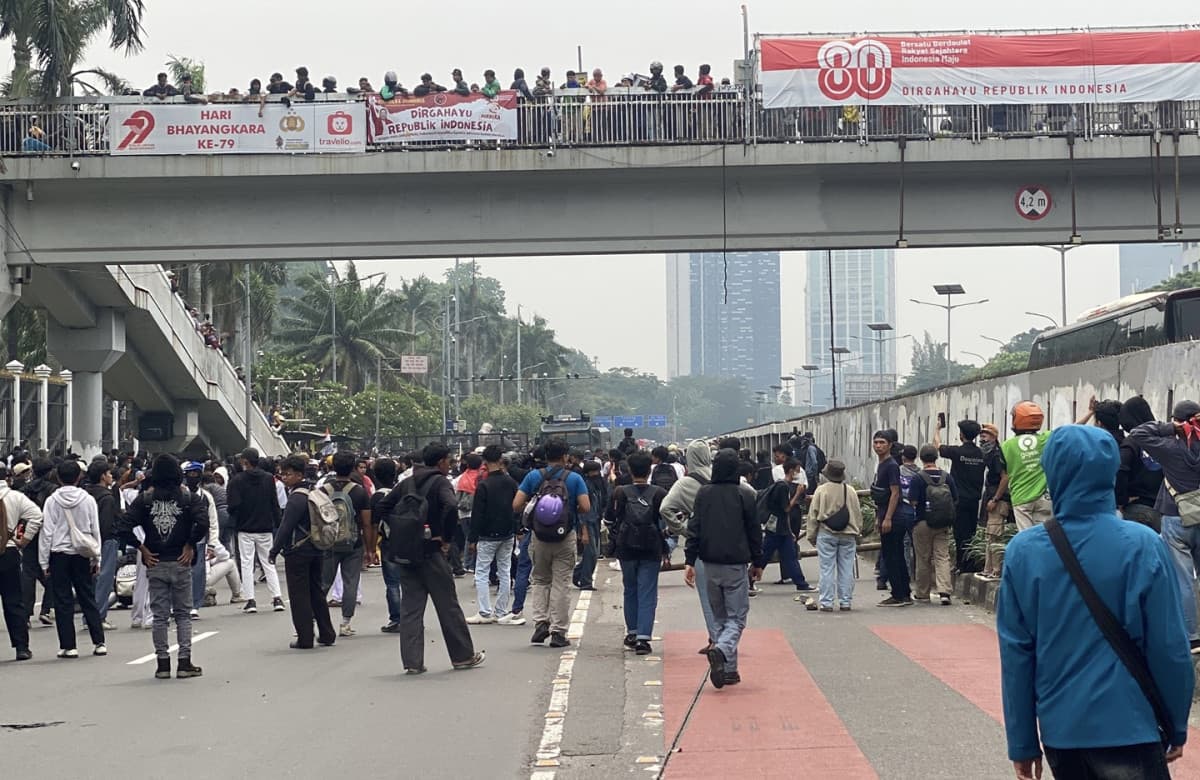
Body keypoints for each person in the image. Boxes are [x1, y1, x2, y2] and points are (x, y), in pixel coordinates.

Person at [998, 425, 1193, 780]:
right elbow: (1169, 647)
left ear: (1051, 471)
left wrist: (1023, 742)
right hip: (1133, 724)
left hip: (1063, 730)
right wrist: (1176, 723)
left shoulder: (1024, 552)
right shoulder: (1143, 545)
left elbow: (1017, 654)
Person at [377, 443, 484, 673]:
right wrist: (444, 537)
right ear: (441, 462)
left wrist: (399, 529)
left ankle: (412, 662)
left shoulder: (406, 483)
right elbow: (451, 505)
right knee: (448, 606)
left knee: (410, 609)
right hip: (432, 551)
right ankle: (463, 656)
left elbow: (383, 506)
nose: (450, 465)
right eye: (449, 461)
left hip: (407, 553)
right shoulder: (440, 482)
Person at [120, 455, 208, 679]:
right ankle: (184, 662)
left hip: (156, 561)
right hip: (181, 560)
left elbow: (123, 526)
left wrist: (142, 548)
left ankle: (162, 664)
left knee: (160, 616)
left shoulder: (145, 500)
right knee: (183, 614)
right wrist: (190, 544)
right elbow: (203, 523)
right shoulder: (188, 498)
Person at [685, 448, 762, 689]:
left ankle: (729, 669)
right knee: (737, 618)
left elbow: (694, 527)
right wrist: (758, 562)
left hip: (709, 563)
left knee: (719, 617)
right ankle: (722, 650)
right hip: (735, 563)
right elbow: (754, 531)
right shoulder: (745, 495)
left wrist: (689, 560)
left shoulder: (704, 493)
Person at [1127, 400, 1200, 654]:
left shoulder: (1169, 447)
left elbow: (1138, 433)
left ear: (1178, 420)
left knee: (1182, 578)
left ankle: (1192, 636)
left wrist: (1172, 428)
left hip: (1176, 516)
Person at [514, 438, 591, 649]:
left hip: (539, 537)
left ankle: (540, 622)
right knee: (561, 583)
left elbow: (516, 504)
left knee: (540, 580)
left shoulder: (533, 476)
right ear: (566, 456)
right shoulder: (574, 478)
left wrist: (537, 509)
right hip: (565, 537)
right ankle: (558, 632)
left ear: (545, 456)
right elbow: (585, 506)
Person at [38, 459, 106, 659]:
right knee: (87, 597)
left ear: (58, 477)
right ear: (79, 477)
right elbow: (95, 530)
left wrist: (44, 561)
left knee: (62, 600)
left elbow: (47, 533)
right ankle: (99, 641)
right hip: (83, 554)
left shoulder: (52, 501)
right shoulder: (87, 499)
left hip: (59, 554)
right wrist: (97, 558)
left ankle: (69, 646)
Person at [268, 454, 336, 650]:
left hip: (298, 551)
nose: (284, 478)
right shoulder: (314, 491)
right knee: (316, 592)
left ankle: (305, 637)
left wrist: (274, 550)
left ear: (298, 474)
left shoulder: (296, 498)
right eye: (281, 474)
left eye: (287, 474)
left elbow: (285, 527)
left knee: (299, 596)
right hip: (316, 547)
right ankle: (327, 633)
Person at [606, 452, 668, 655]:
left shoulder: (620, 492)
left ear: (630, 471)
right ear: (650, 470)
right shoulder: (659, 493)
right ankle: (643, 637)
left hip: (626, 547)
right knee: (648, 591)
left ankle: (632, 632)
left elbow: (609, 520)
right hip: (651, 547)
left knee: (630, 588)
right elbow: (668, 519)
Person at [662, 439, 718, 652]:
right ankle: (728, 636)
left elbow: (665, 509)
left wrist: (683, 529)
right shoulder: (724, 476)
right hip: (729, 542)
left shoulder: (684, 483)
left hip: (702, 543)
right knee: (730, 595)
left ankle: (715, 638)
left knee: (707, 594)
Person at [467, 445, 523, 625]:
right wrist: (517, 528)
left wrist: (473, 538)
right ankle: (501, 611)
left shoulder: (483, 485)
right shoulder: (510, 482)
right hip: (507, 533)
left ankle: (484, 612)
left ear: (484, 461)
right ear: (501, 460)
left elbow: (477, 514)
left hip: (487, 535)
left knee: (482, 572)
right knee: (504, 571)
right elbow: (517, 508)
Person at [320, 452, 372, 637]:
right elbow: (366, 523)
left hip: (328, 542)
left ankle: (313, 618)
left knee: (323, 582)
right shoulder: (359, 491)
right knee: (351, 582)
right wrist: (370, 548)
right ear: (352, 468)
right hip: (353, 542)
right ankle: (345, 623)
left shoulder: (323, 490)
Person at [227, 448, 284, 614]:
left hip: (245, 528)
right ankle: (277, 598)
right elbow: (274, 503)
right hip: (265, 527)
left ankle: (250, 600)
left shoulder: (237, 480)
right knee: (268, 563)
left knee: (246, 563)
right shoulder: (268, 479)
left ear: (245, 461)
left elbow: (233, 506)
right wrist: (278, 523)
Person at [806, 460, 861, 612]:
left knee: (826, 569)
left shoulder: (821, 490)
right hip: (848, 534)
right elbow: (857, 514)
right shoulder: (850, 491)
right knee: (846, 568)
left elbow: (813, 514)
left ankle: (827, 602)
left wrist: (811, 535)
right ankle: (845, 601)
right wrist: (857, 532)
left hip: (826, 533)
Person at [934, 418, 986, 572]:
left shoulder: (957, 452)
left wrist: (937, 429)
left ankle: (962, 565)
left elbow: (937, 446)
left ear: (961, 435)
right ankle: (970, 563)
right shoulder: (981, 454)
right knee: (971, 532)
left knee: (959, 533)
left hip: (959, 499)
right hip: (975, 499)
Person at [0, 465, 41, 660]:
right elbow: (36, 516)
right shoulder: (15, 497)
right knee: (13, 601)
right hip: (8, 551)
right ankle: (21, 647)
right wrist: (24, 540)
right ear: (7, 477)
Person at [908, 445, 957, 606]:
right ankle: (945, 592)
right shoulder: (946, 477)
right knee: (942, 556)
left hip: (922, 522)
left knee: (923, 558)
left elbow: (913, 501)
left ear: (921, 458)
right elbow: (955, 499)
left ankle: (923, 593)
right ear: (936, 457)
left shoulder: (918, 477)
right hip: (943, 523)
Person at [756, 458, 812, 593]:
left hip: (781, 528)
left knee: (789, 555)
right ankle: (749, 579)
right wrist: (797, 494)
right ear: (791, 471)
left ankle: (801, 583)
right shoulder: (782, 486)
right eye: (798, 470)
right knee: (766, 555)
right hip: (776, 528)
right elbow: (786, 509)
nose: (799, 474)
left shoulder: (783, 485)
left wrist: (789, 530)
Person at [997, 401, 1053, 530]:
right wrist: (1090, 413)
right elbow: (1070, 431)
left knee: (1026, 539)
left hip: (1021, 499)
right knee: (1044, 536)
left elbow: (1004, 473)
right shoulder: (1045, 438)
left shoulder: (1006, 446)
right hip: (1044, 497)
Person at [872, 430, 912, 606]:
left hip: (894, 517)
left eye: (882, 442)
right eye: (876, 442)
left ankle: (898, 594)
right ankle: (904, 593)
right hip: (885, 514)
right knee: (895, 555)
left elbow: (895, 493)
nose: (878, 446)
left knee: (891, 556)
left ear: (889, 445)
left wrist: (887, 518)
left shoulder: (891, 465)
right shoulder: (882, 464)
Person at [1118, 396, 1164, 532]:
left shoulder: (1132, 442)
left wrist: (1122, 500)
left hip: (1137, 507)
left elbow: (1120, 469)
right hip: (1165, 509)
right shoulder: (1164, 438)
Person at [84, 461, 122, 630]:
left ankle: (89, 616)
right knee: (104, 578)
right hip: (105, 541)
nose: (111, 476)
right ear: (102, 476)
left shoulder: (85, 494)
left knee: (90, 580)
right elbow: (106, 524)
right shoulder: (107, 497)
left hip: (86, 541)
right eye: (109, 473)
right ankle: (98, 616)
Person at [370, 457, 403, 633]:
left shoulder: (377, 496)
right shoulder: (401, 491)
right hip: (405, 539)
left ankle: (396, 618)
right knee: (407, 580)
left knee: (392, 582)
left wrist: (371, 548)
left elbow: (374, 524)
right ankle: (411, 616)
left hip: (388, 541)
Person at [979, 423, 1010, 580]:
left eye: (985, 436)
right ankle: (988, 569)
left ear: (994, 437)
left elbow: (1005, 478)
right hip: (993, 498)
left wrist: (995, 499)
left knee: (995, 534)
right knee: (989, 535)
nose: (981, 439)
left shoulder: (997, 455)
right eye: (981, 436)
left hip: (998, 500)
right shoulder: (990, 454)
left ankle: (996, 570)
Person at [573, 460, 604, 591]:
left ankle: (578, 574)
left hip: (595, 521)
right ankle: (586, 581)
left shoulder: (597, 485)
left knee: (593, 553)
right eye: (594, 471)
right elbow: (582, 509)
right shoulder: (585, 486)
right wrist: (583, 530)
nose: (597, 473)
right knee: (591, 553)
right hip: (587, 523)